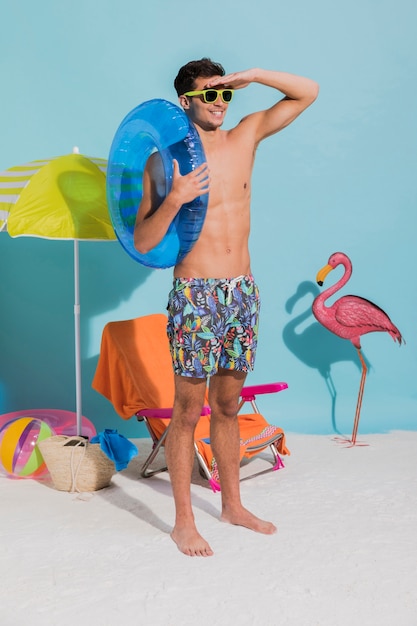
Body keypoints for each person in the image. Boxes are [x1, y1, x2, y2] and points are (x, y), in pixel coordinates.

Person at [134, 58, 319, 557]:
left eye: (223, 95)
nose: (218, 103)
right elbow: (145, 240)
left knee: (229, 404)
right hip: (195, 295)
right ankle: (183, 522)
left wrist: (254, 76)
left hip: (241, 292)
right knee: (188, 409)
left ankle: (233, 505)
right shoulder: (165, 163)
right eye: (207, 95)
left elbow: (308, 91)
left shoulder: (245, 137)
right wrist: (174, 200)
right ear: (185, 102)